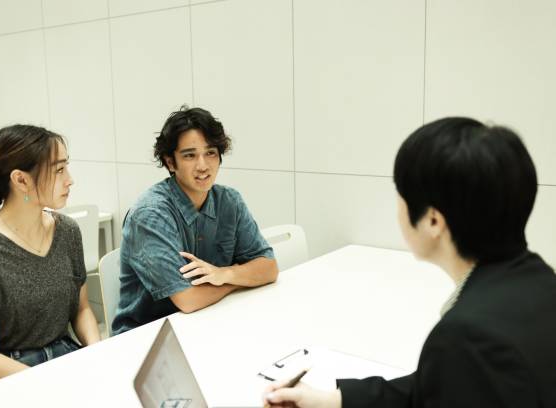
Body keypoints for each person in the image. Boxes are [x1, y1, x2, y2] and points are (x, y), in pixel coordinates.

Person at [263, 117, 556, 407]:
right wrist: (333, 401)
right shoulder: (542, 282)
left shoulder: (466, 338)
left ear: (432, 221)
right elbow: (440, 385)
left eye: (401, 195)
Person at [0, 125, 101, 393]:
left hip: (60, 359)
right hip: (0, 378)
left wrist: (97, 352)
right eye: (59, 170)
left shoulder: (67, 231)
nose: (70, 180)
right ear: (21, 180)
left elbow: (81, 309)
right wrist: (49, 384)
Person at [112, 106, 278, 335]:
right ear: (171, 162)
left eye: (210, 153)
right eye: (190, 155)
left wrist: (225, 274)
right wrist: (240, 278)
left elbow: (269, 268)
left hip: (211, 322)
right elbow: (188, 300)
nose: (203, 165)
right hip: (149, 336)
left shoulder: (229, 200)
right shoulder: (150, 214)